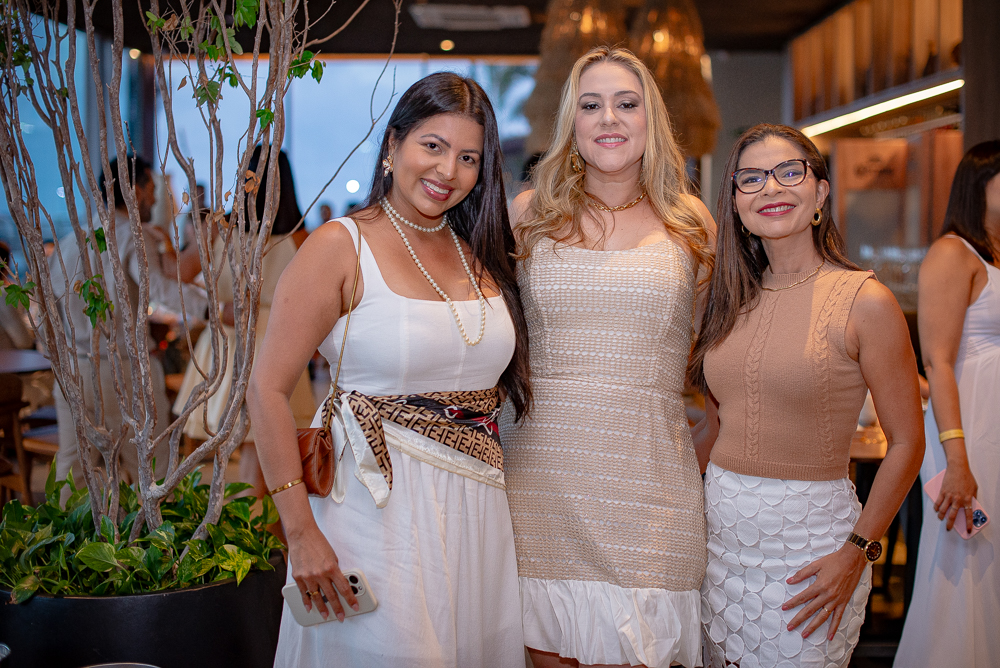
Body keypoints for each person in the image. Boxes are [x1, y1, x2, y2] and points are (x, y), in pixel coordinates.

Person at [247, 72, 530, 667]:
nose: (448, 170)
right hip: (372, 510)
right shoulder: (339, 245)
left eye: (468, 157)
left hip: (477, 512)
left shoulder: (481, 251)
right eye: (433, 146)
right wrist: (299, 532)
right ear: (393, 144)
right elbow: (267, 389)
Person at [501, 46, 716, 668]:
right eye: (590, 105)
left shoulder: (690, 223)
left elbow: (718, 357)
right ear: (571, 123)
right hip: (540, 483)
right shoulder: (528, 216)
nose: (609, 119)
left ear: (652, 119)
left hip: (652, 489)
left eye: (627, 103)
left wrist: (702, 448)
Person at [688, 124, 924, 668]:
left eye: (788, 172)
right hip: (718, 544)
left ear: (820, 191)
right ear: (735, 202)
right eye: (751, 178)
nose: (770, 188)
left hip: (810, 549)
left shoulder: (865, 301)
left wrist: (857, 552)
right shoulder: (727, 301)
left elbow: (908, 443)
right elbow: (717, 428)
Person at [895, 140, 1000, 667]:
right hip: (967, 429)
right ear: (980, 184)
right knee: (965, 560)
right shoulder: (953, 252)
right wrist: (956, 459)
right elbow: (936, 362)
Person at [48, 155, 208, 489]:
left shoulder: (70, 241)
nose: (155, 199)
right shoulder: (130, 236)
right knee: (151, 466)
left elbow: (49, 307)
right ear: (135, 189)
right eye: (152, 189)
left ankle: (69, 526)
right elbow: (160, 289)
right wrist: (212, 310)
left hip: (72, 370)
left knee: (75, 471)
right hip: (124, 369)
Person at [172, 147, 315, 496]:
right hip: (278, 341)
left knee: (224, 442)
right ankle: (253, 522)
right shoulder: (300, 236)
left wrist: (213, 307)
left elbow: (178, 275)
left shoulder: (220, 229)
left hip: (227, 337)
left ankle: (226, 520)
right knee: (263, 447)